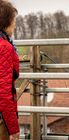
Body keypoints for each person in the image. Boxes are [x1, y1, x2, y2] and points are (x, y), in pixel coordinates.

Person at [0, 0, 19, 140]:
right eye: (13, 19)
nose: (15, 23)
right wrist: (13, 129)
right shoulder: (5, 48)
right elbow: (4, 92)